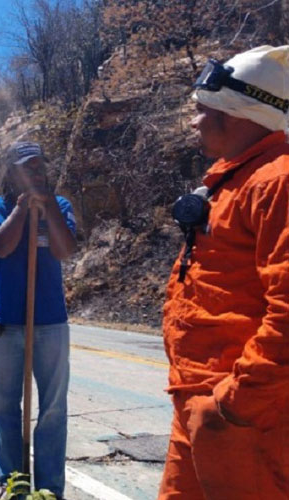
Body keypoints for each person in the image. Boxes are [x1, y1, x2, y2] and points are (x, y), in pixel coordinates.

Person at [159, 45, 289, 499]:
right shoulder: (236, 179)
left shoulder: (277, 181)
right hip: (201, 405)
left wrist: (234, 402)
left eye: (201, 111)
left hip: (243, 417)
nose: (194, 122)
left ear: (235, 112)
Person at [0, 141, 77, 498]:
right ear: (11, 173)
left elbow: (65, 250)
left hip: (50, 322)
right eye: (28, 168)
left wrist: (48, 206)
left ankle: (50, 490)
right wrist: (22, 209)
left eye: (40, 167)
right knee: (5, 408)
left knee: (53, 409)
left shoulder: (61, 206)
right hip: (7, 322)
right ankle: (14, 485)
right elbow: (1, 246)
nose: (36, 174)